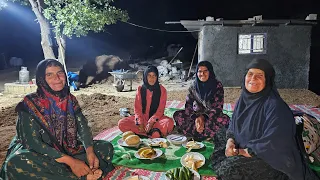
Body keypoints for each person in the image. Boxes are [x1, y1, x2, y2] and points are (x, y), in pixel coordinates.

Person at [0, 59, 114, 180]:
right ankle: (78, 176)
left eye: (60, 73)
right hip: (38, 152)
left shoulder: (69, 99)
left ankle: (76, 172)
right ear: (41, 79)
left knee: (105, 147)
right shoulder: (30, 104)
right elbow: (32, 143)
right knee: (17, 162)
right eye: (49, 75)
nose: (57, 78)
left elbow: (82, 126)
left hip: (65, 147)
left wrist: (90, 152)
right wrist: (72, 162)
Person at [211, 59, 319, 180]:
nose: (253, 79)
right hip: (246, 144)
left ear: (267, 80)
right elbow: (234, 124)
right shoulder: (243, 100)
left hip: (271, 158)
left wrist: (242, 152)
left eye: (259, 76)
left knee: (230, 168)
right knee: (220, 131)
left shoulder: (275, 106)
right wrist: (230, 142)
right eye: (250, 74)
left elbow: (275, 143)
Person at [173, 61, 230, 141]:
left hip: (211, 115)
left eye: (205, 71)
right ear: (196, 73)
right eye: (199, 71)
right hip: (196, 115)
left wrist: (204, 117)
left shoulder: (217, 85)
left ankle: (196, 133)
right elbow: (188, 105)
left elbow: (218, 108)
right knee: (178, 115)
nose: (202, 74)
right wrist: (196, 118)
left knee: (225, 120)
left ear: (210, 72)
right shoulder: (193, 86)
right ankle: (204, 133)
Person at [118, 66, 174, 138]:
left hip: (156, 121)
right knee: (122, 123)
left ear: (157, 77)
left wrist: (151, 123)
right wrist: (140, 123)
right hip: (143, 119)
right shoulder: (140, 89)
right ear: (145, 77)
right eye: (149, 76)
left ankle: (147, 132)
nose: (152, 78)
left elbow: (160, 110)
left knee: (169, 122)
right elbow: (137, 109)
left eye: (154, 76)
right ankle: (152, 133)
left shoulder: (162, 90)